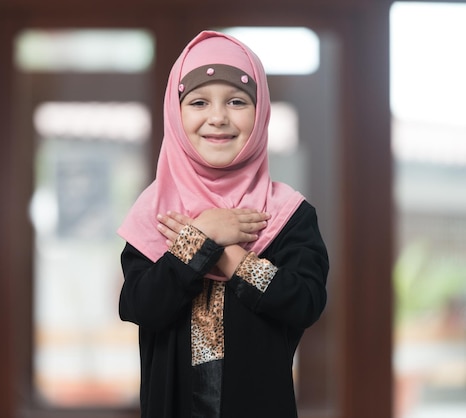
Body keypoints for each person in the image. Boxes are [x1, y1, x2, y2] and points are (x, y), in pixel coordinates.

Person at [117, 30, 329, 418]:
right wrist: (201, 234)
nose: (218, 117)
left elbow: (305, 303)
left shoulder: (287, 215)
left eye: (236, 101)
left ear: (260, 110)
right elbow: (140, 305)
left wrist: (230, 257)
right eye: (198, 102)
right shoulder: (156, 212)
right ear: (176, 115)